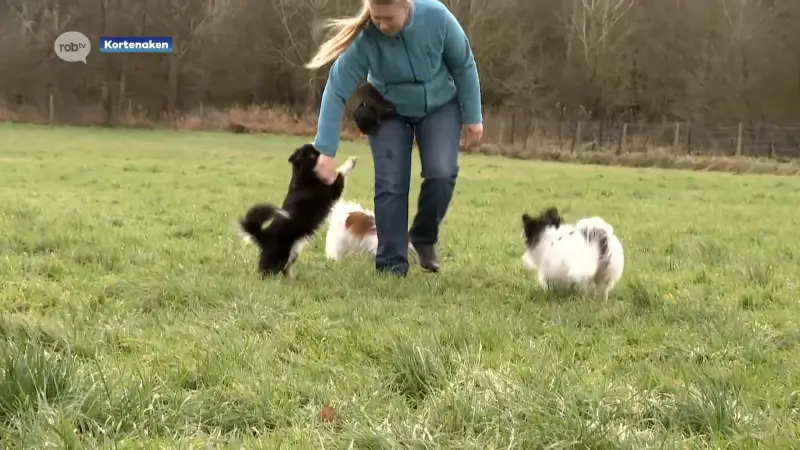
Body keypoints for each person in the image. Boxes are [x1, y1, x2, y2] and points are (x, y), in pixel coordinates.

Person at [305, 0, 484, 277]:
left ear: (407, 5)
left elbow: (463, 64)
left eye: (388, 18)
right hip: (389, 111)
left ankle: (423, 237)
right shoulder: (367, 37)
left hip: (440, 106)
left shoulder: (436, 17)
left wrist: (473, 115)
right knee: (391, 184)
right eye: (376, 17)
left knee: (442, 173)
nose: (381, 24)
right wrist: (325, 150)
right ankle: (391, 263)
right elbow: (337, 87)